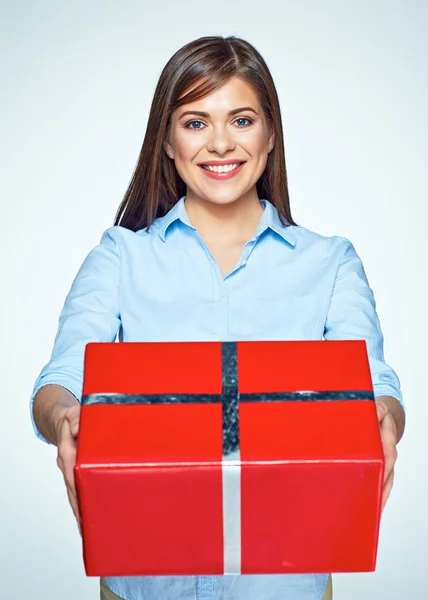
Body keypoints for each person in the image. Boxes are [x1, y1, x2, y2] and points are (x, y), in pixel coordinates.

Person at [30, 35, 405, 600]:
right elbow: (60, 380)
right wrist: (64, 418)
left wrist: (384, 420)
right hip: (145, 584)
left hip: (287, 584)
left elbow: (372, 382)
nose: (221, 143)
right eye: (196, 122)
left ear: (271, 134)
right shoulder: (119, 257)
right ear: (167, 140)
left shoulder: (330, 263)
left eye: (242, 119)